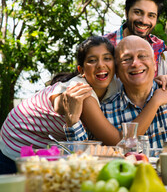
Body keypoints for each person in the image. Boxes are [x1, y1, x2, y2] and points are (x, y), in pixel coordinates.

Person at [0, 36, 118, 174]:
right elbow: (117, 141)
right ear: (81, 70)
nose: (101, 65)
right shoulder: (81, 92)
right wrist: (151, 103)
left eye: (107, 58)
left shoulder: (112, 85)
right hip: (17, 144)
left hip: (42, 143)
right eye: (92, 60)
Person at [68, 35, 167, 147]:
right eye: (127, 59)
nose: (135, 63)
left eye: (142, 56)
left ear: (155, 65)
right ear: (117, 71)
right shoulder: (106, 110)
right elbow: (86, 157)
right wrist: (72, 121)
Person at [104, 0, 166, 75]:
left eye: (151, 15)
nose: (144, 21)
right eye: (138, 12)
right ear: (126, 13)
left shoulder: (159, 46)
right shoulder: (104, 44)